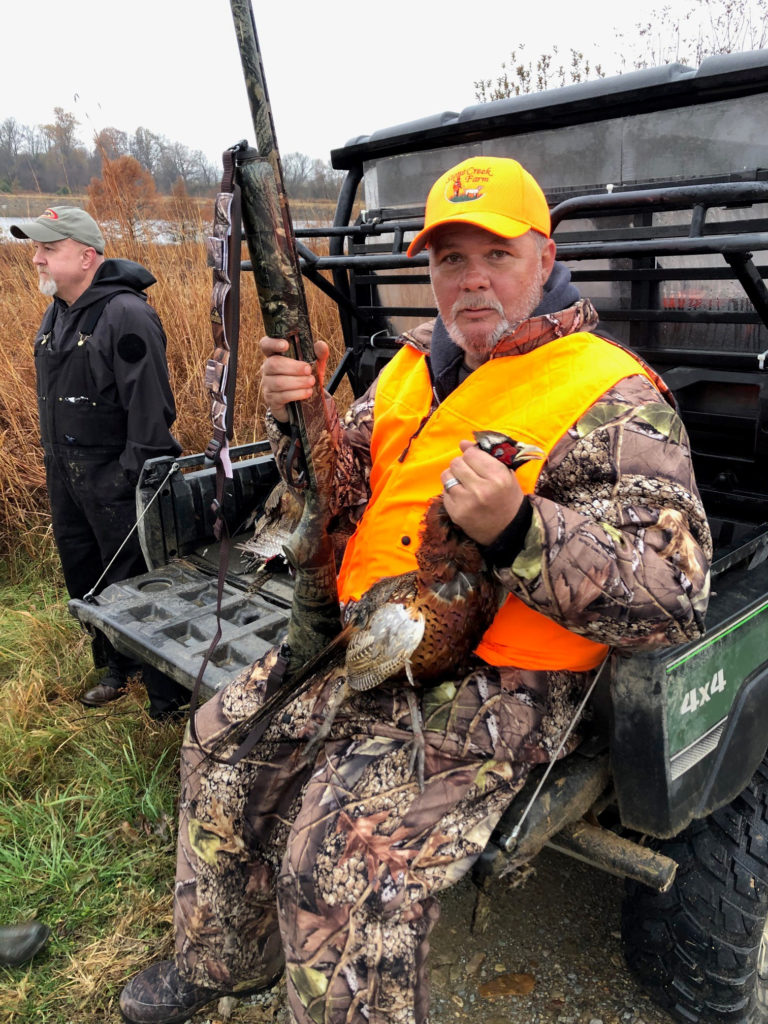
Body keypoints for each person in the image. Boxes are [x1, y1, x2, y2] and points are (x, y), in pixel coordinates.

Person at [118, 156, 712, 1024]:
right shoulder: (408, 370)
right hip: (369, 637)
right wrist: (305, 416)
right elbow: (335, 489)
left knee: (341, 854)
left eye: (494, 257)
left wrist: (520, 530)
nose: (470, 282)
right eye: (447, 262)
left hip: (499, 680)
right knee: (219, 744)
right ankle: (223, 958)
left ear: (543, 260)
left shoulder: (612, 393)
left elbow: (671, 596)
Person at [11, 206, 189, 719]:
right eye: (38, 250)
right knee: (85, 572)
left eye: (49, 249)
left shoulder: (126, 314)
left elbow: (152, 414)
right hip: (66, 472)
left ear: (87, 256)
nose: (38, 260)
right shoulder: (59, 311)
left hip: (117, 478)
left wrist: (129, 480)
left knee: (138, 581)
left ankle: (167, 696)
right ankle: (117, 665)